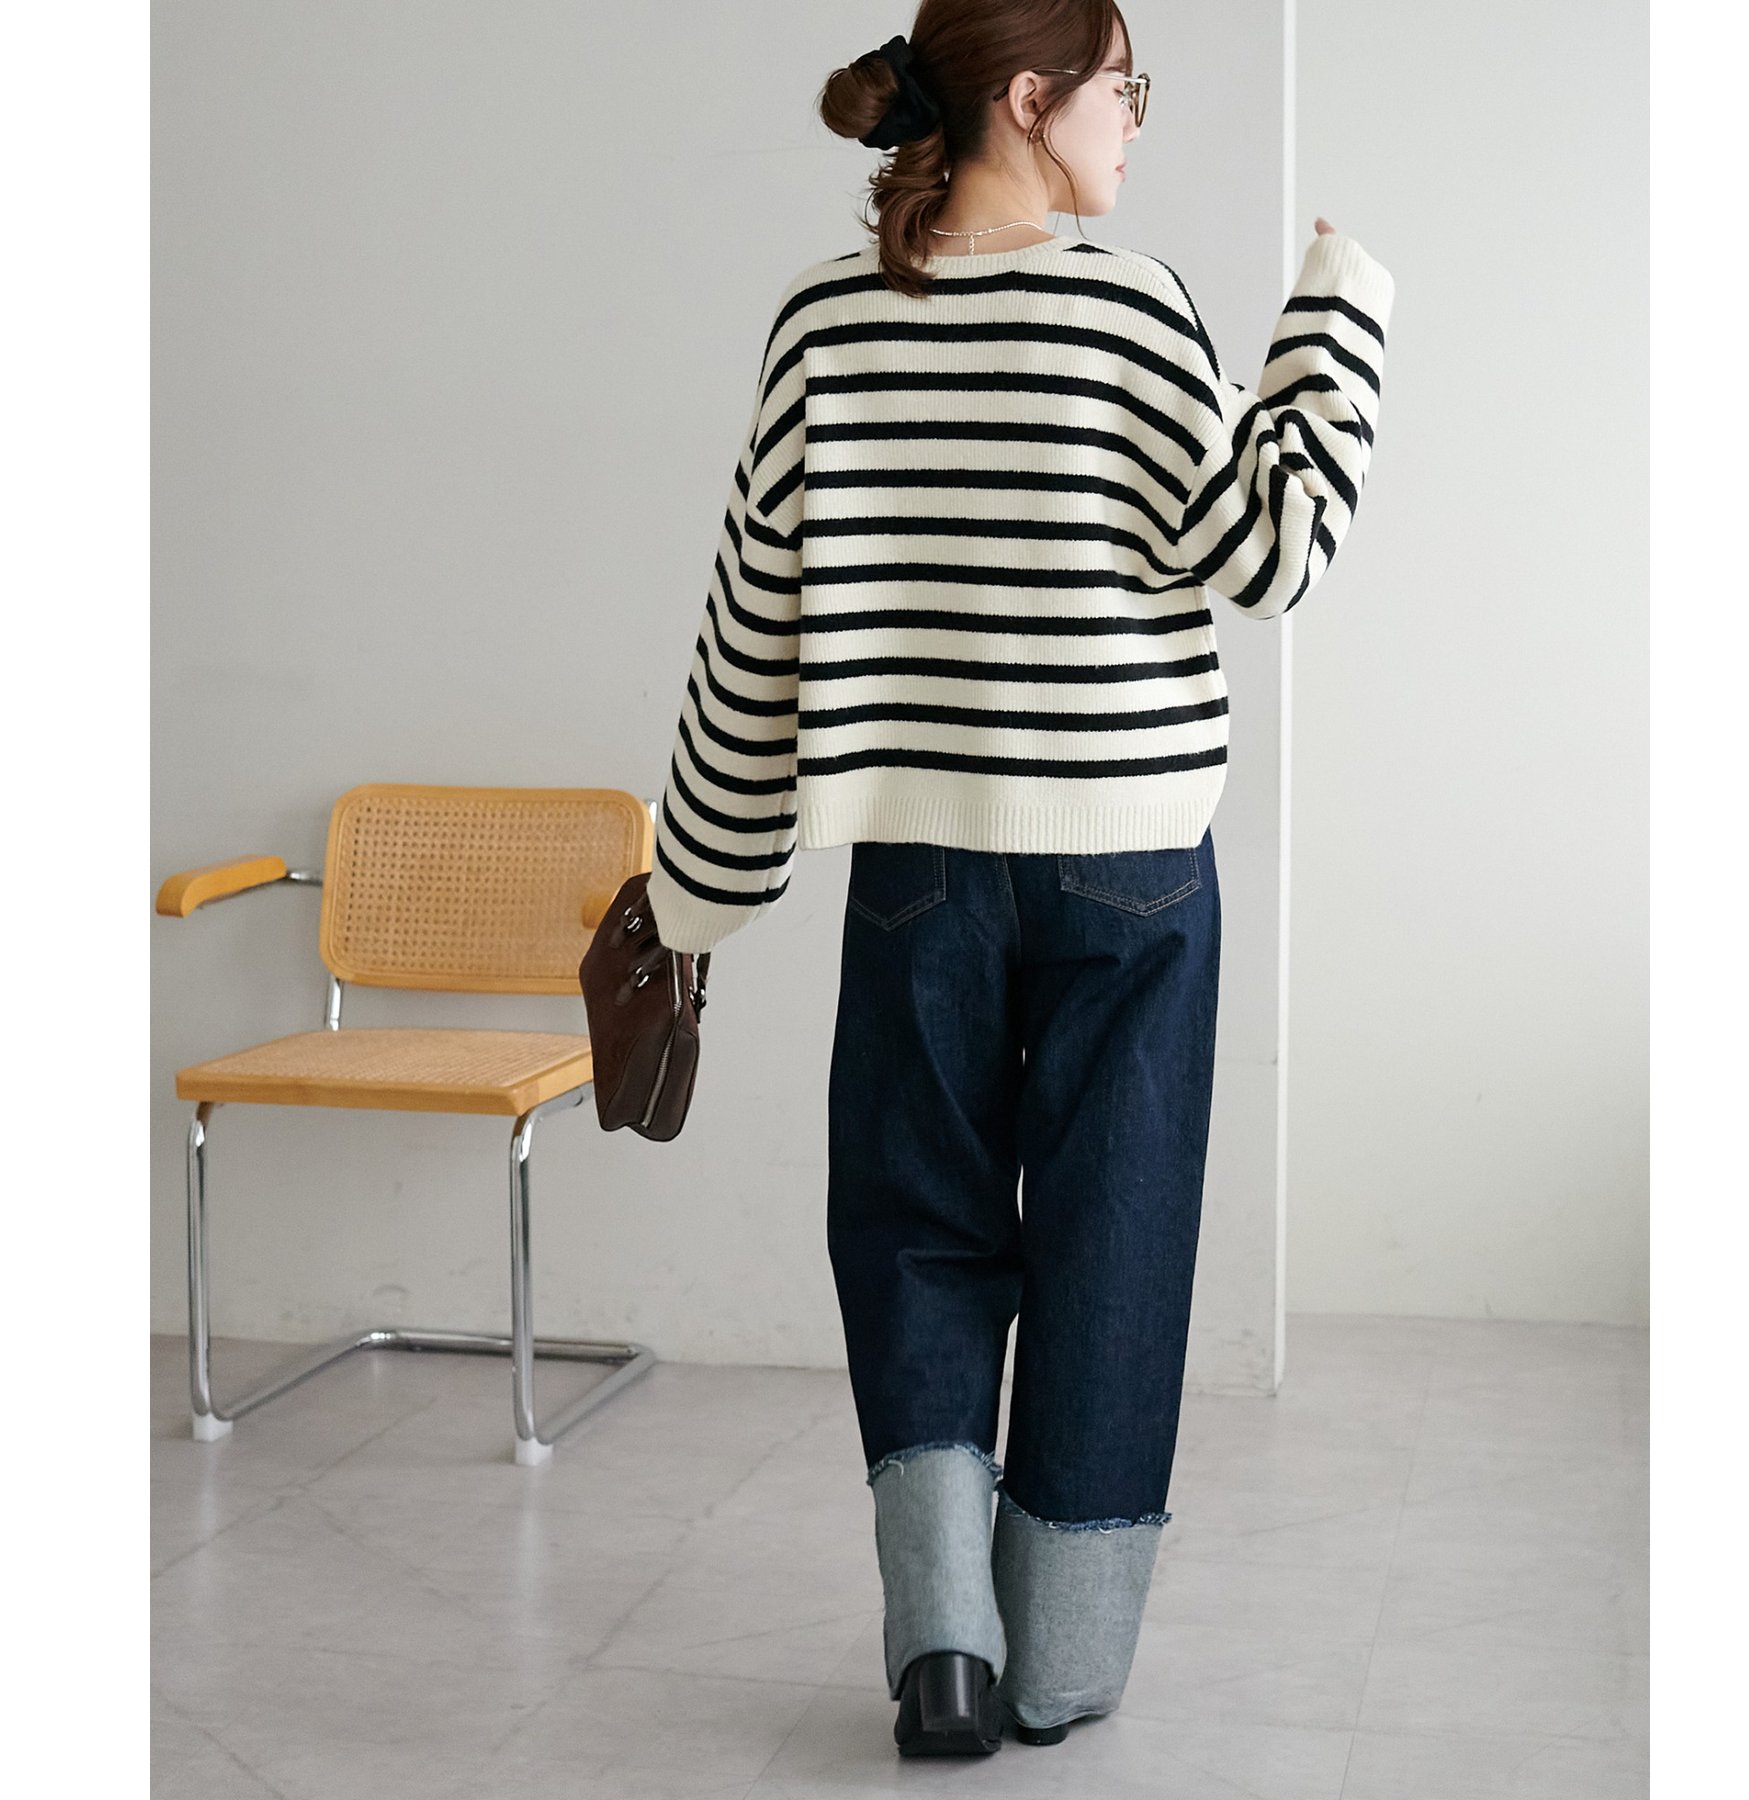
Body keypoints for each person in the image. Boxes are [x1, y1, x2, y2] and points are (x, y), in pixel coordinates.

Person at [640, 0, 1395, 1759]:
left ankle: (944, 1652)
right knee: (1114, 1233)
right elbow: (1272, 550)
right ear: (1034, 99)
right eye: (1126, 87)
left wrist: (696, 884)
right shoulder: (1128, 305)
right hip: (1131, 868)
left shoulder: (825, 320)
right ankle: (1060, 1655)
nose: (1137, 121)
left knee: (913, 1225)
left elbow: (755, 623)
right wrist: (1336, 320)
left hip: (916, 863)